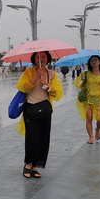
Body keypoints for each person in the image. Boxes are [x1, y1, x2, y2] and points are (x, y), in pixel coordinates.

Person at [16, 51, 63, 179]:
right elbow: (23, 88)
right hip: (30, 108)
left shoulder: (51, 74)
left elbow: (56, 94)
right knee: (32, 138)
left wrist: (46, 85)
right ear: (34, 59)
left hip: (45, 109)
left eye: (43, 56)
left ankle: (36, 165)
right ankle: (28, 163)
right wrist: (34, 79)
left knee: (43, 138)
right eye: (37, 57)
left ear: (47, 58)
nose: (40, 59)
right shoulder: (29, 72)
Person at [74, 55, 100, 144]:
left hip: (99, 99)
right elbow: (79, 84)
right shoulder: (86, 74)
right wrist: (82, 79)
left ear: (99, 62)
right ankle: (91, 137)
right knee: (89, 118)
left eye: (95, 60)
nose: (93, 62)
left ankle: (97, 129)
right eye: (91, 61)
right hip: (87, 99)